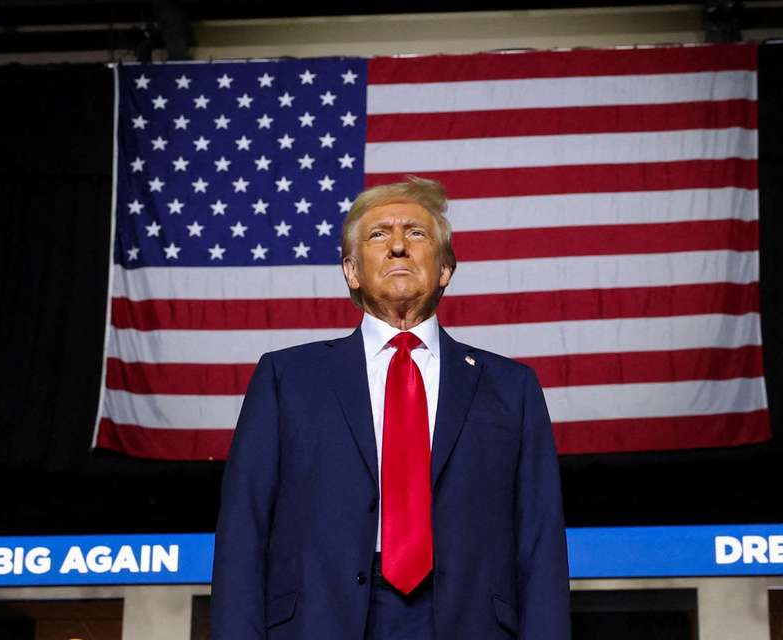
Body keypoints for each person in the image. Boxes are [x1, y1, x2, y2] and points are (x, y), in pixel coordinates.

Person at [211, 176, 570, 640]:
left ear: (445, 269)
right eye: (379, 234)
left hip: (466, 622)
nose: (398, 245)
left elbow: (541, 544)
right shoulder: (286, 379)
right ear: (351, 271)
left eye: (416, 233)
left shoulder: (510, 388)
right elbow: (244, 530)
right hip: (320, 620)